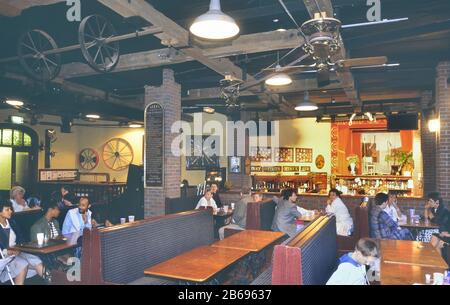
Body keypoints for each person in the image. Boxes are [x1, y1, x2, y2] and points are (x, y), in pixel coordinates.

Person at [0, 201, 47, 285]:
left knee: (35, 260)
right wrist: (6, 252)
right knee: (22, 264)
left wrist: (21, 248)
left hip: (17, 251)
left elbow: (21, 240)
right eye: (7, 209)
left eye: (10, 209)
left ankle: (52, 281)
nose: (11, 211)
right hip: (5, 257)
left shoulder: (12, 223)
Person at [425, 192, 450, 258]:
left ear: (437, 202)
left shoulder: (443, 210)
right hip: (442, 232)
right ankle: (439, 265)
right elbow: (429, 219)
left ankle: (427, 259)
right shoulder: (434, 209)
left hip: (446, 233)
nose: (429, 203)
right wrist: (426, 209)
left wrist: (446, 234)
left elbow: (438, 222)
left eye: (430, 201)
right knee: (434, 243)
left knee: (433, 242)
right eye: (428, 201)